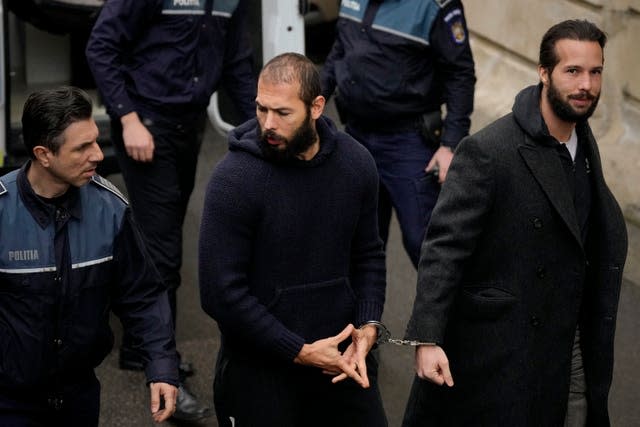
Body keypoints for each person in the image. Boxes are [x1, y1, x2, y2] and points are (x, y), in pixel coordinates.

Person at [402, 20, 628, 426]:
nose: (586, 85)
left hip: (570, 343)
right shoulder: (489, 151)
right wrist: (428, 337)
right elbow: (444, 248)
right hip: (502, 346)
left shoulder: (584, 141)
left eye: (595, 72)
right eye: (572, 71)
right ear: (544, 73)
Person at [85, 0, 256, 419]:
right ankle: (159, 366)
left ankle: (135, 344)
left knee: (159, 236)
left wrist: (263, 124)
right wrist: (127, 119)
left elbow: (236, 63)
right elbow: (101, 46)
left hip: (190, 124)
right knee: (163, 251)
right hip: (148, 123)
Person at [198, 52, 388, 427]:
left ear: (316, 107)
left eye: (282, 113)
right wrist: (298, 351)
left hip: (340, 363)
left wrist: (368, 325)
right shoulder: (233, 180)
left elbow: (368, 254)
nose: (268, 123)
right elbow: (221, 292)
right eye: (261, 109)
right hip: (261, 372)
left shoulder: (357, 164)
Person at [0, 86, 179, 426]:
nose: (98, 154)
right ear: (43, 154)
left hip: (78, 398)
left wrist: (162, 367)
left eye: (96, 141)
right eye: (82, 147)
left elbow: (142, 296)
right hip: (9, 402)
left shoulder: (110, 209)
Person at [321, 0, 476, 268]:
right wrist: (313, 100)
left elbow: (460, 74)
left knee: (426, 244)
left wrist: (451, 144)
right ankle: (364, 309)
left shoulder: (436, 6)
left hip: (407, 142)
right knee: (361, 241)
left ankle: (450, 310)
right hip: (356, 136)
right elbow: (340, 50)